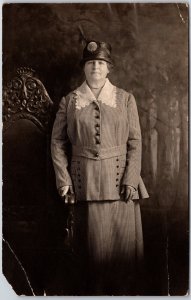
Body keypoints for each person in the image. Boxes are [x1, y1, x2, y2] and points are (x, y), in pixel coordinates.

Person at [51, 40, 149, 295]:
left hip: (121, 188)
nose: (96, 67)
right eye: (91, 63)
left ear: (108, 69)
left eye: (101, 63)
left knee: (123, 259)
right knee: (91, 263)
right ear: (84, 68)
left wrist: (130, 178)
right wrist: (64, 181)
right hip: (85, 188)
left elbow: (135, 142)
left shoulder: (126, 99)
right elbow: (58, 142)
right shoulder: (70, 101)